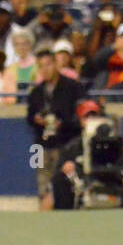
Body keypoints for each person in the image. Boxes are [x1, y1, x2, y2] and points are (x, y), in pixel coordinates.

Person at [26, 42, 85, 209]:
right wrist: (36, 119)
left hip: (65, 144)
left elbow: (81, 115)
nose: (45, 70)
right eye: (41, 66)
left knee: (64, 185)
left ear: (55, 64)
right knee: (42, 184)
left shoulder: (72, 87)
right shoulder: (36, 92)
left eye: (48, 65)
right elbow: (29, 118)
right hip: (40, 146)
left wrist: (63, 123)